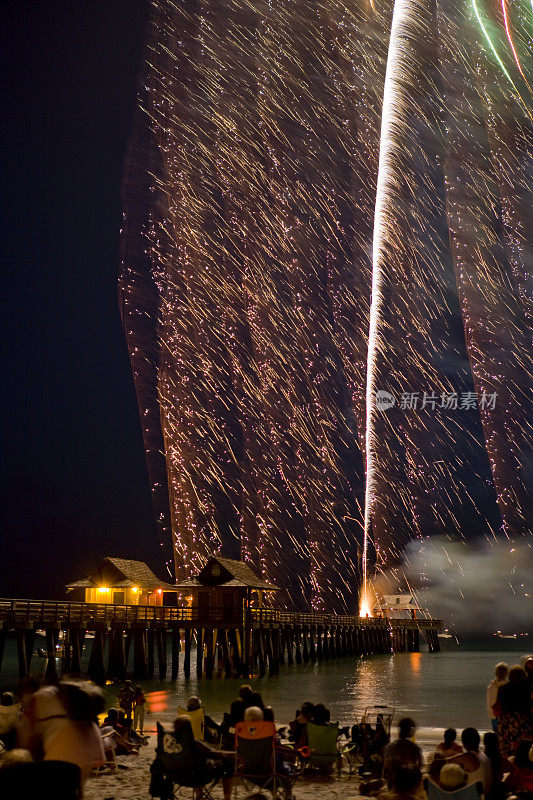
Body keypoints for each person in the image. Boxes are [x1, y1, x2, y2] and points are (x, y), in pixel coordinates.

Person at [23, 679, 106, 787]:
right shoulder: (90, 726)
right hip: (89, 743)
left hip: (66, 749)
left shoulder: (41, 697)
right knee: (78, 786)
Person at [494, 664, 533, 756]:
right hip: (523, 721)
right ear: (523, 676)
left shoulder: (502, 689)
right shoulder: (527, 688)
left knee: (507, 749)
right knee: (524, 749)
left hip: (506, 722)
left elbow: (497, 707)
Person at [384, 718, 423, 786]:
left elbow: (387, 764)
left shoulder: (390, 746)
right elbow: (420, 764)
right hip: (409, 782)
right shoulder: (414, 747)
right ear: (410, 731)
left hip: (394, 781)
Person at [487, 662, 508, 731]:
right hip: (506, 715)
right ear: (506, 673)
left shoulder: (491, 687)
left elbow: (489, 703)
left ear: (496, 672)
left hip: (495, 714)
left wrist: (491, 715)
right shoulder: (508, 686)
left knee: (496, 734)